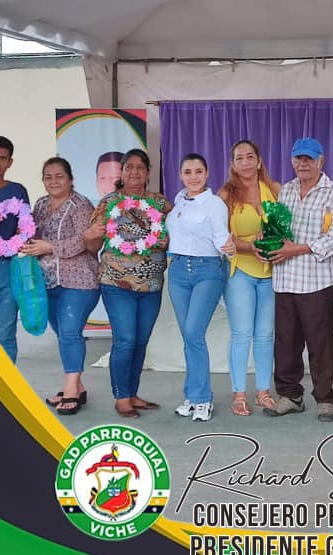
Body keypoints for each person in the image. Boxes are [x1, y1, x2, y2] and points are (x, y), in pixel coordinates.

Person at [263, 137, 333, 422]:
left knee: (319, 343)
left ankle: (325, 399)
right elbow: (278, 229)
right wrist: (268, 242)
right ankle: (290, 396)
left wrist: (297, 249)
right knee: (285, 343)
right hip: (285, 279)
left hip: (317, 281)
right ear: (292, 161)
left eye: (309, 159)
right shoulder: (286, 191)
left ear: (321, 161)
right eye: (298, 158)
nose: (303, 164)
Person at [84, 149, 172, 418]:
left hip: (151, 285)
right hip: (116, 282)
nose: (134, 172)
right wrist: (90, 235)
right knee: (125, 340)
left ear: (148, 172)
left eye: (139, 167)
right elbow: (92, 245)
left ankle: (133, 393)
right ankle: (121, 397)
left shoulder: (160, 203)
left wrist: (169, 241)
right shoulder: (109, 202)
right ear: (121, 172)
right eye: (128, 167)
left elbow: (177, 234)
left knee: (141, 341)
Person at [21, 158, 100, 415]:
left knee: (69, 333)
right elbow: (32, 234)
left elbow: (87, 241)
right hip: (47, 282)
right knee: (63, 334)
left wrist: (50, 247)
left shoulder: (81, 205)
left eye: (59, 176)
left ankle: (70, 391)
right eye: (48, 176)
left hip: (79, 281)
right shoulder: (41, 205)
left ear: (70, 179)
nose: (53, 181)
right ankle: (77, 386)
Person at [167, 153, 235, 422]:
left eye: (198, 171)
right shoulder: (179, 200)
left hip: (207, 270)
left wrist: (228, 248)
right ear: (180, 175)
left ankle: (202, 398)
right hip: (178, 272)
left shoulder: (215, 204)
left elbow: (220, 235)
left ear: (207, 174)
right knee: (188, 336)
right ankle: (192, 396)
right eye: (187, 172)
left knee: (194, 332)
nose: (193, 177)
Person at [219, 140, 281, 416]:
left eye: (249, 157)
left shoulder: (275, 190)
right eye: (239, 158)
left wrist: (273, 242)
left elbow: (286, 227)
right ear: (233, 164)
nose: (245, 162)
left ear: (259, 161)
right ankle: (239, 394)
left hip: (270, 272)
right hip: (240, 271)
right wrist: (249, 246)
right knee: (242, 333)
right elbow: (220, 236)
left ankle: (264, 392)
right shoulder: (226, 194)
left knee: (265, 335)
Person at [0, 136, 30, 363]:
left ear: (10, 162)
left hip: (8, 267)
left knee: (6, 331)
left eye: (2, 158)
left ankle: (4, 383)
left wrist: (21, 239)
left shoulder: (17, 191)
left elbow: (26, 227)